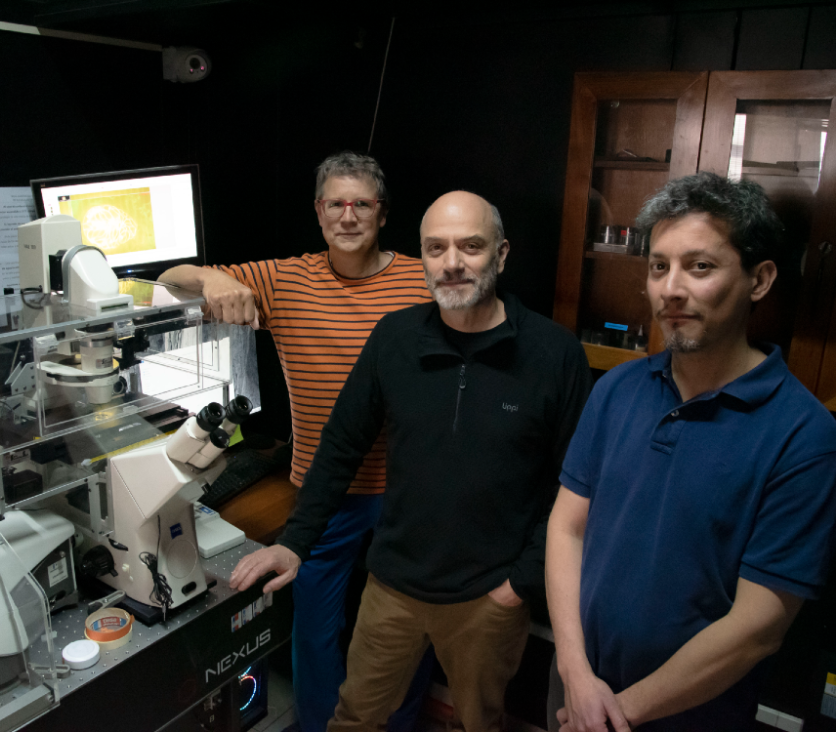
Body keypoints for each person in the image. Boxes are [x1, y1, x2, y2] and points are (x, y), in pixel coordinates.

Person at [231, 191, 592, 732]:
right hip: (393, 587)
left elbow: (576, 486)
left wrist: (519, 585)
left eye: (471, 246)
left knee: (478, 723)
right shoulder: (396, 338)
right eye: (435, 248)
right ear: (421, 256)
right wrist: (294, 541)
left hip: (489, 597)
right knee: (354, 717)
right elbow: (341, 446)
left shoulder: (554, 354)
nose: (452, 263)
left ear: (501, 254)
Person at [545, 172, 836, 732]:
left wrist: (612, 716)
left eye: (699, 267)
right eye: (659, 266)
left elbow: (759, 625)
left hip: (692, 716)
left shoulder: (803, 433)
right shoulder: (616, 390)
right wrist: (576, 674)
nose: (671, 288)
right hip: (579, 686)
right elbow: (567, 528)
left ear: (759, 279)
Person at [158, 152, 433, 732]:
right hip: (321, 495)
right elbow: (166, 281)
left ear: (382, 213)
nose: (349, 215)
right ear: (318, 211)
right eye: (336, 203)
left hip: (406, 488)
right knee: (314, 631)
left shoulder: (421, 278)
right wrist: (211, 277)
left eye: (362, 203)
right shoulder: (285, 278)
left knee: (409, 630)